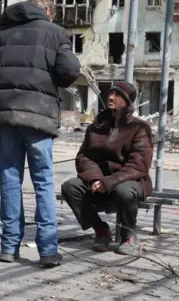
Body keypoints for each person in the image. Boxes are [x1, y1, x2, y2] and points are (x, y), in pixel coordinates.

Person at [0, 0, 81, 268]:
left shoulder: (0, 34)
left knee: (10, 182)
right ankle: (47, 250)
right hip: (39, 118)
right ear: (47, 12)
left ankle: (9, 247)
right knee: (43, 182)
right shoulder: (55, 34)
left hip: (6, 116)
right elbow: (70, 71)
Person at [61, 81, 153, 256]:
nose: (111, 97)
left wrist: (109, 182)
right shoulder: (97, 126)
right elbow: (83, 156)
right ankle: (100, 229)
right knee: (70, 186)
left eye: (117, 95)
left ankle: (128, 234)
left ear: (127, 100)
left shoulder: (140, 128)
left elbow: (138, 165)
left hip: (130, 182)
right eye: (111, 93)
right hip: (99, 182)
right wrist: (96, 178)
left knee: (123, 190)